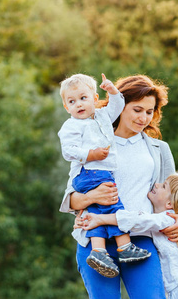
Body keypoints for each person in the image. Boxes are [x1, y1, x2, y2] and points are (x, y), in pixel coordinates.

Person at [59, 74, 178, 298]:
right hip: (95, 241)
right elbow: (70, 199)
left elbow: (175, 198)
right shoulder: (91, 144)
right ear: (119, 105)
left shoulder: (159, 150)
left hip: (140, 240)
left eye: (149, 112)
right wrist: (92, 197)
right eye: (137, 110)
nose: (144, 118)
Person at [58, 73, 151, 279]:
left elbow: (116, 107)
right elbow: (68, 151)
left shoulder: (101, 116)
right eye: (72, 102)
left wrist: (112, 90)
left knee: (99, 208)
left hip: (99, 171)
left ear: (94, 98)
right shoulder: (72, 125)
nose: (79, 105)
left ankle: (98, 251)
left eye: (83, 98)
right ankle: (124, 246)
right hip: (90, 172)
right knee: (113, 202)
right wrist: (91, 154)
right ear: (66, 107)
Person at [78, 171, 178, 299]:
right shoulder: (160, 221)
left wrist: (99, 219)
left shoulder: (166, 219)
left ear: (169, 203)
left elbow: (135, 220)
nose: (156, 184)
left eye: (163, 186)